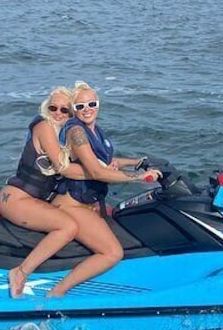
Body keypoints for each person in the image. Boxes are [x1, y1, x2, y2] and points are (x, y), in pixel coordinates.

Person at [48, 81, 161, 297]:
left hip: (89, 203)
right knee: (112, 252)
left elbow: (105, 160)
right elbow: (96, 171)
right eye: (80, 106)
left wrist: (137, 161)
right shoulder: (76, 132)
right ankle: (57, 293)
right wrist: (139, 177)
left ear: (98, 104)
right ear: (74, 110)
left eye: (91, 103)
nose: (87, 109)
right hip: (72, 205)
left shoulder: (95, 130)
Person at [0, 86, 87, 298]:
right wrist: (98, 173)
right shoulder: (44, 126)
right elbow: (63, 167)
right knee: (67, 227)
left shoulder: (65, 137)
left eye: (65, 110)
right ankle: (20, 272)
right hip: (16, 198)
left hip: (33, 199)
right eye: (53, 107)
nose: (57, 113)